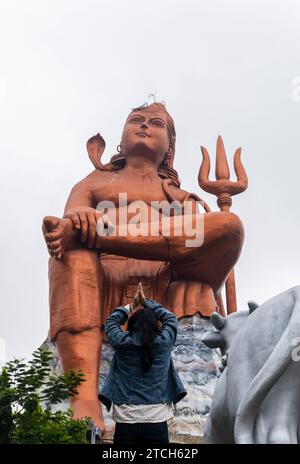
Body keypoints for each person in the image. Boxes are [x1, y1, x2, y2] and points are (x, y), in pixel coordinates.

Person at [99, 283, 187, 445]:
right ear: (155, 325)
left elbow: (111, 323)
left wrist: (131, 306)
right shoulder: (164, 342)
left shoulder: (122, 342)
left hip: (126, 420)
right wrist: (147, 303)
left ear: (131, 325)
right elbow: (170, 318)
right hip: (157, 420)